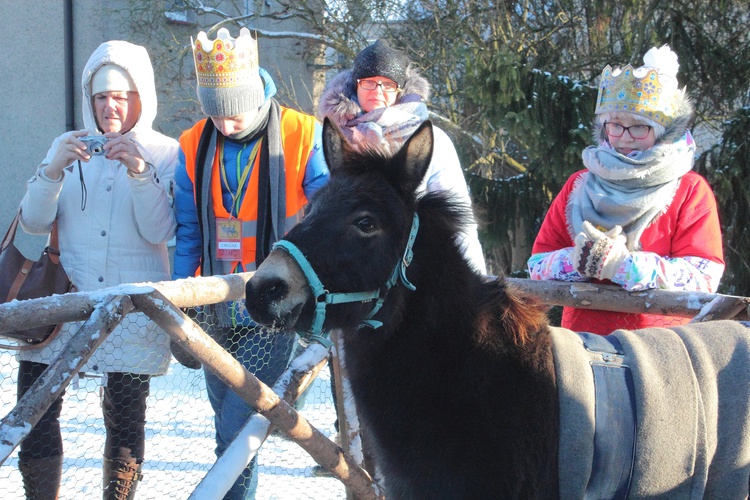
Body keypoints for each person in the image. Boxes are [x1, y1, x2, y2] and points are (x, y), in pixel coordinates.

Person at [16, 41, 178, 499]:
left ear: (140, 98)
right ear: (90, 98)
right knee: (36, 410)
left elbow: (159, 230)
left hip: (131, 306)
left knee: (126, 417)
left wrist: (141, 173)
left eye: (122, 97)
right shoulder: (65, 145)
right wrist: (53, 171)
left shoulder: (164, 151)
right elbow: (32, 222)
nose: (111, 107)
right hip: (64, 301)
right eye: (102, 97)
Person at [172, 27, 329, 499]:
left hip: (272, 307)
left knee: (239, 432)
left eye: (233, 109)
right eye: (214, 110)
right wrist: (180, 303)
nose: (225, 122)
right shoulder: (191, 143)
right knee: (226, 423)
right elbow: (189, 233)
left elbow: (327, 221)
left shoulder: (304, 135)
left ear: (255, 93)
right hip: (214, 304)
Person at [527, 45, 724, 334]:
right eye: (615, 126)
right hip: (582, 343)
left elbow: (704, 276)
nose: (625, 138)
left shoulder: (690, 189)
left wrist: (624, 265)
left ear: (662, 133)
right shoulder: (579, 184)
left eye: (639, 128)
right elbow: (537, 266)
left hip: (661, 347)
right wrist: (577, 261)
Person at [318, 39, 487, 274]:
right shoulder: (332, 138)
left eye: (387, 84)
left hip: (418, 268)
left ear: (400, 90)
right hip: (346, 269)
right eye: (369, 82)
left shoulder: (431, 140)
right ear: (355, 85)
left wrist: (474, 282)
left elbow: (458, 219)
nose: (377, 91)